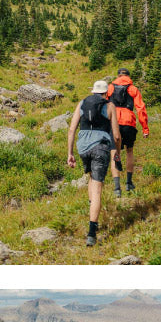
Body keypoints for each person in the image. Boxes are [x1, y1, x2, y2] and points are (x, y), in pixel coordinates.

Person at [66, 80, 122, 246]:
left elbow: (71, 130)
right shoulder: (109, 106)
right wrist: (117, 152)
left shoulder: (82, 103)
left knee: (91, 177)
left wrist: (69, 153)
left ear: (93, 91)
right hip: (100, 147)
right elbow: (117, 135)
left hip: (83, 147)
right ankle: (91, 233)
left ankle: (92, 207)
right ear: (106, 93)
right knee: (97, 188)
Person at [106, 67, 149, 194]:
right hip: (129, 122)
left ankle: (116, 187)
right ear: (128, 76)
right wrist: (145, 128)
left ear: (118, 76)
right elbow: (141, 108)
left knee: (114, 151)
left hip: (114, 122)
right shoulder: (133, 89)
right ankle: (129, 183)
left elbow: (104, 104)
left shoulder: (110, 88)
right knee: (129, 151)